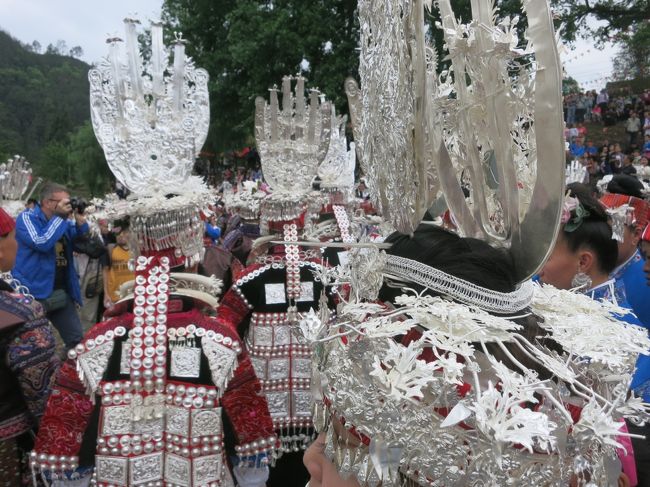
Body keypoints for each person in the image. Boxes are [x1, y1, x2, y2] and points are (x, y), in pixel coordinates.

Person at [0, 207, 58, 485]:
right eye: (12, 237)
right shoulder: (20, 313)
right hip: (8, 454)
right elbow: (44, 399)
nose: (18, 244)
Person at [13, 182, 89, 348]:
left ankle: (71, 372)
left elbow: (81, 244)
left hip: (61, 290)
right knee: (34, 347)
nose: (67, 205)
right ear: (47, 202)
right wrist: (60, 218)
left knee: (77, 343)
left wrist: (81, 222)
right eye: (63, 202)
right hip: (33, 294)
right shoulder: (26, 218)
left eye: (69, 201)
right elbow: (41, 242)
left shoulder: (63, 222)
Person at [101, 225, 134, 311]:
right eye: (118, 233)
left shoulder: (136, 249)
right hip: (116, 296)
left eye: (124, 232)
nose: (121, 235)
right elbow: (105, 271)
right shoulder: (110, 249)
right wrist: (106, 293)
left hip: (134, 294)